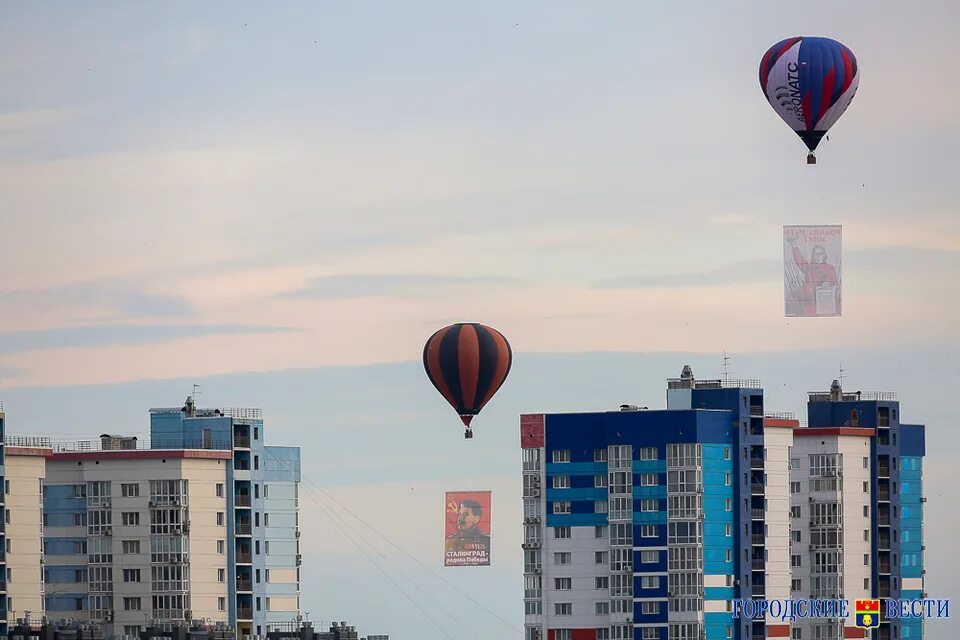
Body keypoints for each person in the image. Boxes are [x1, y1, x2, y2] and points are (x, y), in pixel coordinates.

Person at [786, 238, 839, 315]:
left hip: (823, 300)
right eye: (816, 254)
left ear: (824, 255)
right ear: (813, 255)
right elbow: (799, 260)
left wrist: (828, 283)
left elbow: (832, 280)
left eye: (820, 253)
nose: (818, 256)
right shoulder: (809, 267)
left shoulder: (830, 268)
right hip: (808, 302)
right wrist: (794, 246)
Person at [444, 499, 491, 564]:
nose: (460, 519)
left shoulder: (487, 542)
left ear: (476, 519)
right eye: (460, 514)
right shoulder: (449, 542)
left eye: (465, 515)